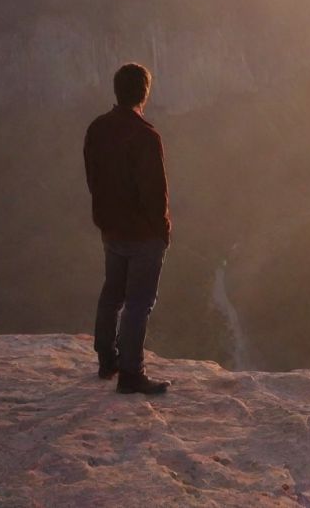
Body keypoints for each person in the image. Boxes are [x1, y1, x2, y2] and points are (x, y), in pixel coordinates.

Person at [84, 63, 172, 395]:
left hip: (111, 228)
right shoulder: (146, 136)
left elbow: (92, 178)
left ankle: (107, 360)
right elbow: (155, 192)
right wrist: (162, 229)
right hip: (142, 233)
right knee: (138, 303)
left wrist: (104, 216)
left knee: (112, 293)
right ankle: (131, 374)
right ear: (144, 93)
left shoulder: (97, 128)